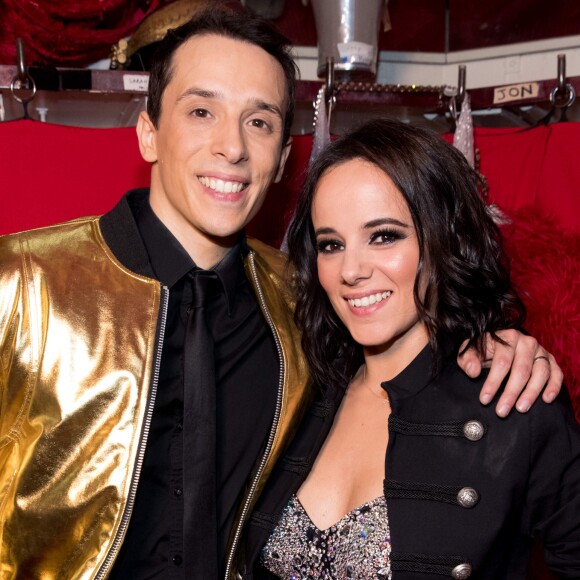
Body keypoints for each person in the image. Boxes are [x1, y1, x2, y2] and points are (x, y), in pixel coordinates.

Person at [0, 8, 564, 580]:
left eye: (260, 122)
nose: (232, 147)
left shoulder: (302, 303)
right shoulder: (20, 284)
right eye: (201, 111)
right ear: (148, 132)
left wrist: (498, 342)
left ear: (283, 160)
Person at [241, 118, 580, 579]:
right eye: (331, 244)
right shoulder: (296, 388)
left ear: (441, 240)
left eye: (383, 236)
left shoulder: (513, 397)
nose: (351, 270)